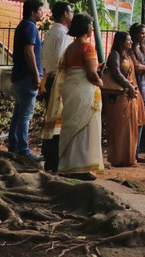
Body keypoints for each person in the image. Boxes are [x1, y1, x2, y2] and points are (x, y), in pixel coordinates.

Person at [57, 13, 105, 178]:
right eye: (91, 24)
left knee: (72, 127)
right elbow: (91, 73)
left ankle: (69, 166)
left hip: (71, 90)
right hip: (85, 91)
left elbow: (78, 68)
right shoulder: (88, 47)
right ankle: (82, 167)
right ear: (86, 27)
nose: (92, 28)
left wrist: (96, 67)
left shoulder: (70, 48)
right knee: (85, 128)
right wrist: (100, 82)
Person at [101, 31, 145, 167]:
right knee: (119, 129)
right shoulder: (114, 54)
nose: (131, 42)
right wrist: (129, 86)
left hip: (129, 95)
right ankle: (118, 158)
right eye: (128, 40)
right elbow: (116, 73)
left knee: (129, 128)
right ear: (121, 42)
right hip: (119, 97)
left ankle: (129, 158)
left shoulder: (127, 55)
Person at [8, 0, 44, 159]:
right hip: (27, 77)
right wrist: (36, 74)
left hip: (19, 75)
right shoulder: (30, 28)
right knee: (25, 116)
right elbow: (29, 52)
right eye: (41, 10)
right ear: (33, 12)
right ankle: (23, 149)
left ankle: (14, 146)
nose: (42, 13)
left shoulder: (22, 26)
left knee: (19, 113)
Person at [40, 0, 73, 172]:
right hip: (60, 80)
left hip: (49, 78)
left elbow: (44, 58)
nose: (72, 15)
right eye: (71, 12)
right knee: (58, 124)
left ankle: (50, 160)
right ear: (66, 14)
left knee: (51, 120)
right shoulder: (64, 35)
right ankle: (55, 161)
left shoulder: (50, 33)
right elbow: (63, 60)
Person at [128, 22, 145, 164]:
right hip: (136, 85)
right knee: (136, 119)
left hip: (144, 86)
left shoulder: (142, 48)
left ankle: (136, 152)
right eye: (141, 33)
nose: (144, 36)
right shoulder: (131, 49)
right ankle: (133, 152)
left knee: (142, 119)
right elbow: (137, 68)